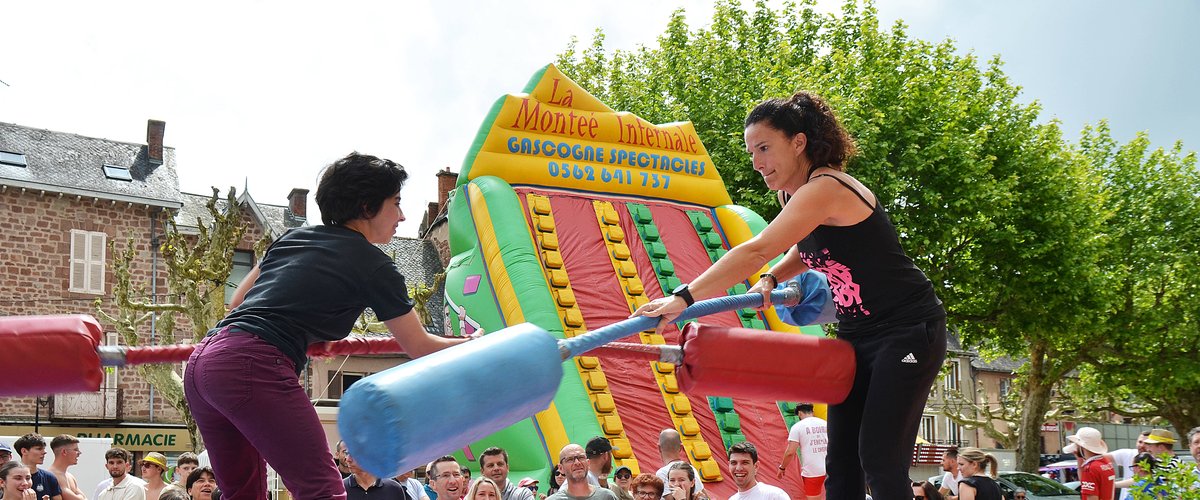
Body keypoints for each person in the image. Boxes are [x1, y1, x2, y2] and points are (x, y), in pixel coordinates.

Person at [632, 91, 946, 500]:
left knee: (880, 458)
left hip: (908, 329)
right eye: (751, 152)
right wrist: (773, 277)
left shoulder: (827, 187)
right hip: (856, 333)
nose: (757, 162)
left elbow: (757, 248)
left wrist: (682, 298)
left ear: (799, 142)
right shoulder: (792, 195)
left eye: (764, 148)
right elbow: (807, 246)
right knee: (841, 465)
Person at [182, 153, 473, 500]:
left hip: (204, 363)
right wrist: (477, 343)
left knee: (243, 494)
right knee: (323, 488)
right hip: (252, 364)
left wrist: (302, 331)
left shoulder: (292, 238)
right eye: (395, 203)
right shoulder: (374, 265)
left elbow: (236, 305)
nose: (402, 215)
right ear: (367, 207)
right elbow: (419, 346)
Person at [777, 404, 826, 500]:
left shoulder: (797, 427)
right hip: (829, 468)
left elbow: (790, 452)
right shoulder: (825, 423)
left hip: (812, 471)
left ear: (799, 413)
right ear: (812, 411)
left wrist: (782, 467)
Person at [547, 444, 617, 500]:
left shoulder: (607, 497)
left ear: (588, 463)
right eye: (570, 459)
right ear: (561, 468)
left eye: (581, 457)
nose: (577, 463)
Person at [342, 449, 408, 500]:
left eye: (354, 454)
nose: (347, 459)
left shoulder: (393, 489)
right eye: (346, 453)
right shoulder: (340, 489)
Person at [14, 434, 62, 500]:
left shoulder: (49, 477)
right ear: (24, 451)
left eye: (44, 449)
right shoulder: (9, 477)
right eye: (39, 449)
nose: (44, 452)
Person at [653, 431, 700, 497]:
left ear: (659, 448)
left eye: (681, 480)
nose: (676, 484)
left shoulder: (662, 473)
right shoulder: (692, 468)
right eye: (672, 480)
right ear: (681, 447)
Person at [47, 435, 87, 500]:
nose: (79, 453)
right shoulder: (52, 476)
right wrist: (80, 496)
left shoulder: (70, 476)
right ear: (64, 452)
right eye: (76, 450)